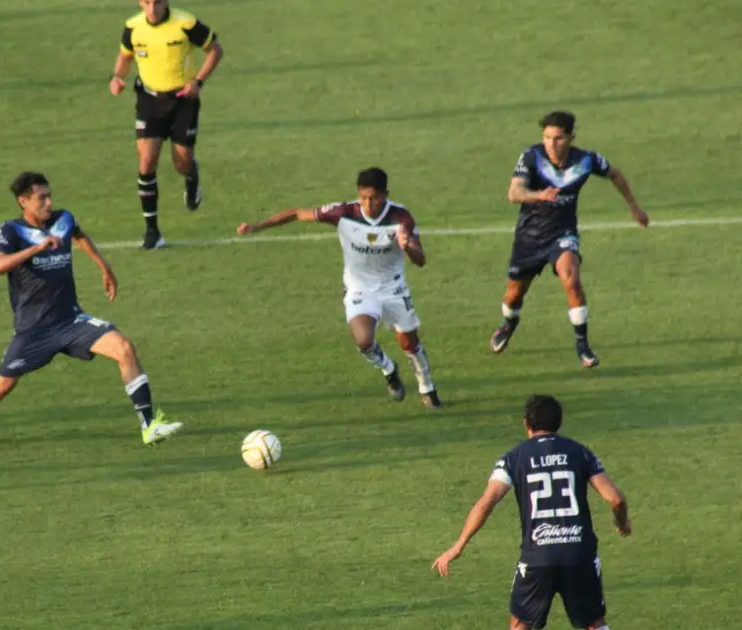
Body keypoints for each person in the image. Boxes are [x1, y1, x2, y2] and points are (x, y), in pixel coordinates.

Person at [0, 172, 184, 451]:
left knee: (124, 348)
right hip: (33, 332)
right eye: (41, 198)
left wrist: (104, 267)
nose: (49, 202)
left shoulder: (63, 219)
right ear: (23, 201)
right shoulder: (11, 231)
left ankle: (149, 426)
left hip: (71, 320)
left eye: (49, 196)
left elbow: (79, 235)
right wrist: (36, 249)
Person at [236, 168, 442, 409]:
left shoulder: (401, 218)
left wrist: (408, 246)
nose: (368, 203)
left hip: (393, 288)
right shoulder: (344, 212)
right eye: (363, 197)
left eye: (374, 198)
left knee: (409, 344)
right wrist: (256, 226)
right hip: (360, 288)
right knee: (364, 341)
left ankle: (427, 388)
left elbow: (421, 260)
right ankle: (388, 369)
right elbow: (296, 213)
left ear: (385, 195)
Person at [431, 395, 631, 630]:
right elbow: (616, 499)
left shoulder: (514, 458)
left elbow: (488, 501)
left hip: (538, 556)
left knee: (521, 624)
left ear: (526, 422)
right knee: (594, 623)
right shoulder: (581, 453)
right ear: (559, 422)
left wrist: (459, 545)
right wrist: (622, 523)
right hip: (579, 553)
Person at [491, 111, 650, 367]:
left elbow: (615, 174)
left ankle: (582, 344)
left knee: (571, 278)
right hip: (529, 238)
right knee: (513, 296)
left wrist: (634, 206)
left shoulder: (586, 160)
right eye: (546, 137)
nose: (551, 144)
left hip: (562, 234)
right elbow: (514, 193)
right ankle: (509, 324)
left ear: (571, 138)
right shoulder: (531, 156)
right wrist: (539, 196)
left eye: (558, 138)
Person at [109, 0, 224, 249]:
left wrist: (199, 82)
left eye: (158, 2)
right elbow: (124, 56)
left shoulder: (185, 23)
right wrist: (117, 77)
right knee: (147, 162)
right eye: (147, 2)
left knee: (181, 162)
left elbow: (215, 49)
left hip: (183, 101)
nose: (152, 9)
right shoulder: (132, 27)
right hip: (149, 100)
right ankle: (152, 232)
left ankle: (191, 175)